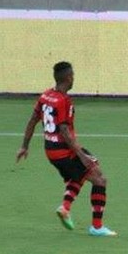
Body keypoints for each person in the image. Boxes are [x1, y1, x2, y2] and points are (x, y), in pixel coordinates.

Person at [16, 61, 117, 237]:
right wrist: (80, 155)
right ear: (68, 78)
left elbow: (33, 120)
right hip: (65, 150)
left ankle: (65, 207)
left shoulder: (46, 96)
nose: (73, 79)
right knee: (100, 179)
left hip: (51, 151)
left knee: (81, 174)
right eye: (73, 76)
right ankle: (97, 227)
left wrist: (24, 146)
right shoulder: (64, 101)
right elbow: (64, 131)